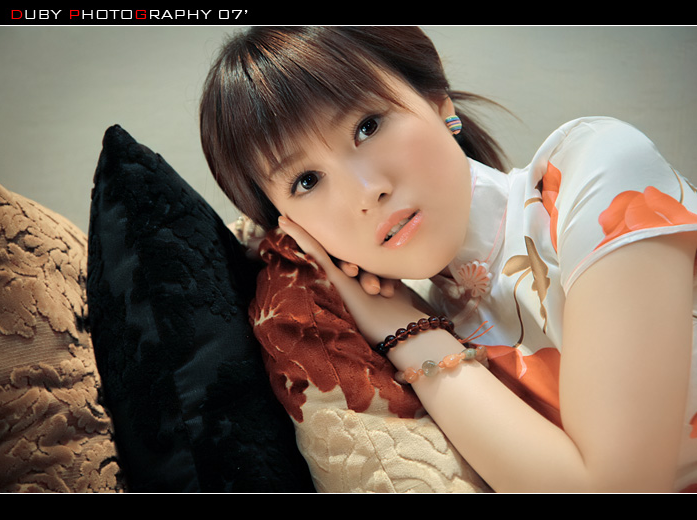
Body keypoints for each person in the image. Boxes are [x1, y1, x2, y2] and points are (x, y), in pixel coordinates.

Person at [199, 26, 697, 492]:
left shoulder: (593, 172)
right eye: (307, 181)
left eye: (368, 126)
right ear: (292, 227)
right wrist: (406, 328)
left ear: (438, 101)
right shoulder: (414, 319)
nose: (367, 192)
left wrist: (405, 331)